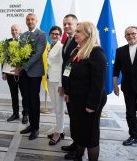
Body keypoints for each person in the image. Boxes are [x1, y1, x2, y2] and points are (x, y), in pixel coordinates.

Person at [63, 22, 107, 161]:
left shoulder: (96, 52)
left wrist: (92, 105)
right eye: (76, 31)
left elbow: (98, 82)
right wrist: (67, 91)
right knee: (78, 131)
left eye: (79, 31)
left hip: (90, 100)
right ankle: (78, 157)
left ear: (89, 34)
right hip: (76, 98)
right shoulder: (77, 50)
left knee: (90, 135)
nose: (75, 33)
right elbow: (68, 71)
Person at [12, 13, 47, 140]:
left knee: (34, 101)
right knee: (26, 100)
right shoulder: (24, 35)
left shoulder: (42, 34)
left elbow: (38, 53)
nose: (30, 21)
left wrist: (23, 66)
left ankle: (36, 128)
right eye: (28, 19)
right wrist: (17, 65)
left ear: (36, 21)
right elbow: (20, 53)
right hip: (23, 74)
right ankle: (30, 125)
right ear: (26, 22)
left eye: (32, 19)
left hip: (34, 73)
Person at [60, 14, 78, 160]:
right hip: (68, 86)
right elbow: (65, 64)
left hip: (76, 87)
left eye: (69, 24)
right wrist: (64, 86)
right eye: (64, 24)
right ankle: (75, 143)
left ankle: (78, 149)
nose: (66, 26)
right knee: (72, 117)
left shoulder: (79, 41)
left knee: (77, 120)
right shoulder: (66, 39)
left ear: (76, 24)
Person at [2, 24, 28, 124]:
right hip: (10, 74)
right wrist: (4, 72)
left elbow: (27, 58)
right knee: (14, 95)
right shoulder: (7, 42)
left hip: (23, 74)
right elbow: (3, 58)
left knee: (24, 95)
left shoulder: (25, 42)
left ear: (20, 30)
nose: (14, 32)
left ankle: (25, 114)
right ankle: (15, 113)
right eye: (12, 30)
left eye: (16, 30)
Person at [46, 26, 65, 145]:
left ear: (60, 35)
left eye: (57, 34)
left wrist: (61, 84)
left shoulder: (61, 47)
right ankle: (60, 130)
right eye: (52, 34)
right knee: (55, 106)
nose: (54, 36)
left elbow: (63, 66)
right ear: (49, 35)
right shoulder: (50, 46)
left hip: (58, 82)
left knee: (59, 109)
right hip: (50, 80)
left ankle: (58, 133)